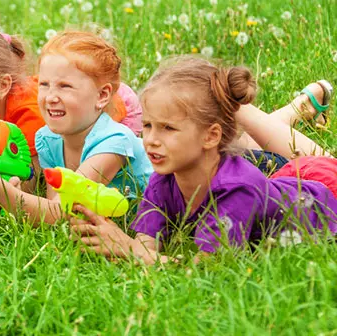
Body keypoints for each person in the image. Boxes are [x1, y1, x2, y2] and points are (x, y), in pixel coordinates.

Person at [69, 57, 337, 263]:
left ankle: (304, 104)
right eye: (148, 125)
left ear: (211, 136)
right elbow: (147, 245)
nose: (150, 139)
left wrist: (131, 250)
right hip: (284, 180)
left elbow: (208, 268)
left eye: (168, 128)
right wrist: (116, 239)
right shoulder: (165, 177)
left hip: (326, 190)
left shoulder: (237, 190)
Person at [0, 30, 153, 224]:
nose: (50, 97)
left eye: (65, 86)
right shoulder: (48, 138)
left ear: (102, 95)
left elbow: (59, 214)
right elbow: (53, 215)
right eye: (44, 84)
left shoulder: (114, 142)